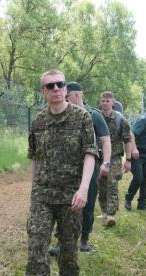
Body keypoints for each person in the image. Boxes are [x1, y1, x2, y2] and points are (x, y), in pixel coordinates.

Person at [19, 69, 98, 276]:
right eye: (49, 86)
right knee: (37, 249)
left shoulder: (82, 118)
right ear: (43, 92)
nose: (55, 89)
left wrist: (84, 188)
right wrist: (33, 192)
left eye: (60, 84)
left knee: (68, 250)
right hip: (43, 196)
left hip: (71, 196)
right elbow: (34, 157)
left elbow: (90, 153)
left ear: (66, 89)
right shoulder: (38, 121)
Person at [48, 82, 112, 254]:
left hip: (89, 167)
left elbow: (105, 140)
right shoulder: (63, 114)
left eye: (68, 96)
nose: (65, 99)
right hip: (66, 168)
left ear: (76, 95)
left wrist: (106, 162)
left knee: (88, 202)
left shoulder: (94, 116)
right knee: (63, 204)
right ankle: (62, 241)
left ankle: (84, 238)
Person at [98, 91, 133, 227]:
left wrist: (128, 160)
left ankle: (111, 214)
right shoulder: (96, 117)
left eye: (108, 101)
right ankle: (105, 211)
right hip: (99, 157)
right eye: (103, 101)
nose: (105, 103)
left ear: (113, 102)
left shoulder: (120, 120)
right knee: (101, 184)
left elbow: (128, 140)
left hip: (115, 157)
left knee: (112, 183)